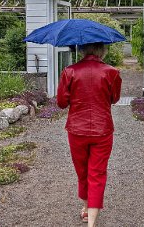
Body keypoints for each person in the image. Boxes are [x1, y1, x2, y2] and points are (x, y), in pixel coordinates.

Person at [56, 43, 122, 227]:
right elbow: (114, 98)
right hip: (102, 130)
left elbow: (61, 103)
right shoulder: (111, 72)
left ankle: (86, 209)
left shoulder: (69, 71)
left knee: (82, 171)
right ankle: (91, 222)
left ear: (83, 49)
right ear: (102, 49)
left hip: (77, 130)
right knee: (97, 173)